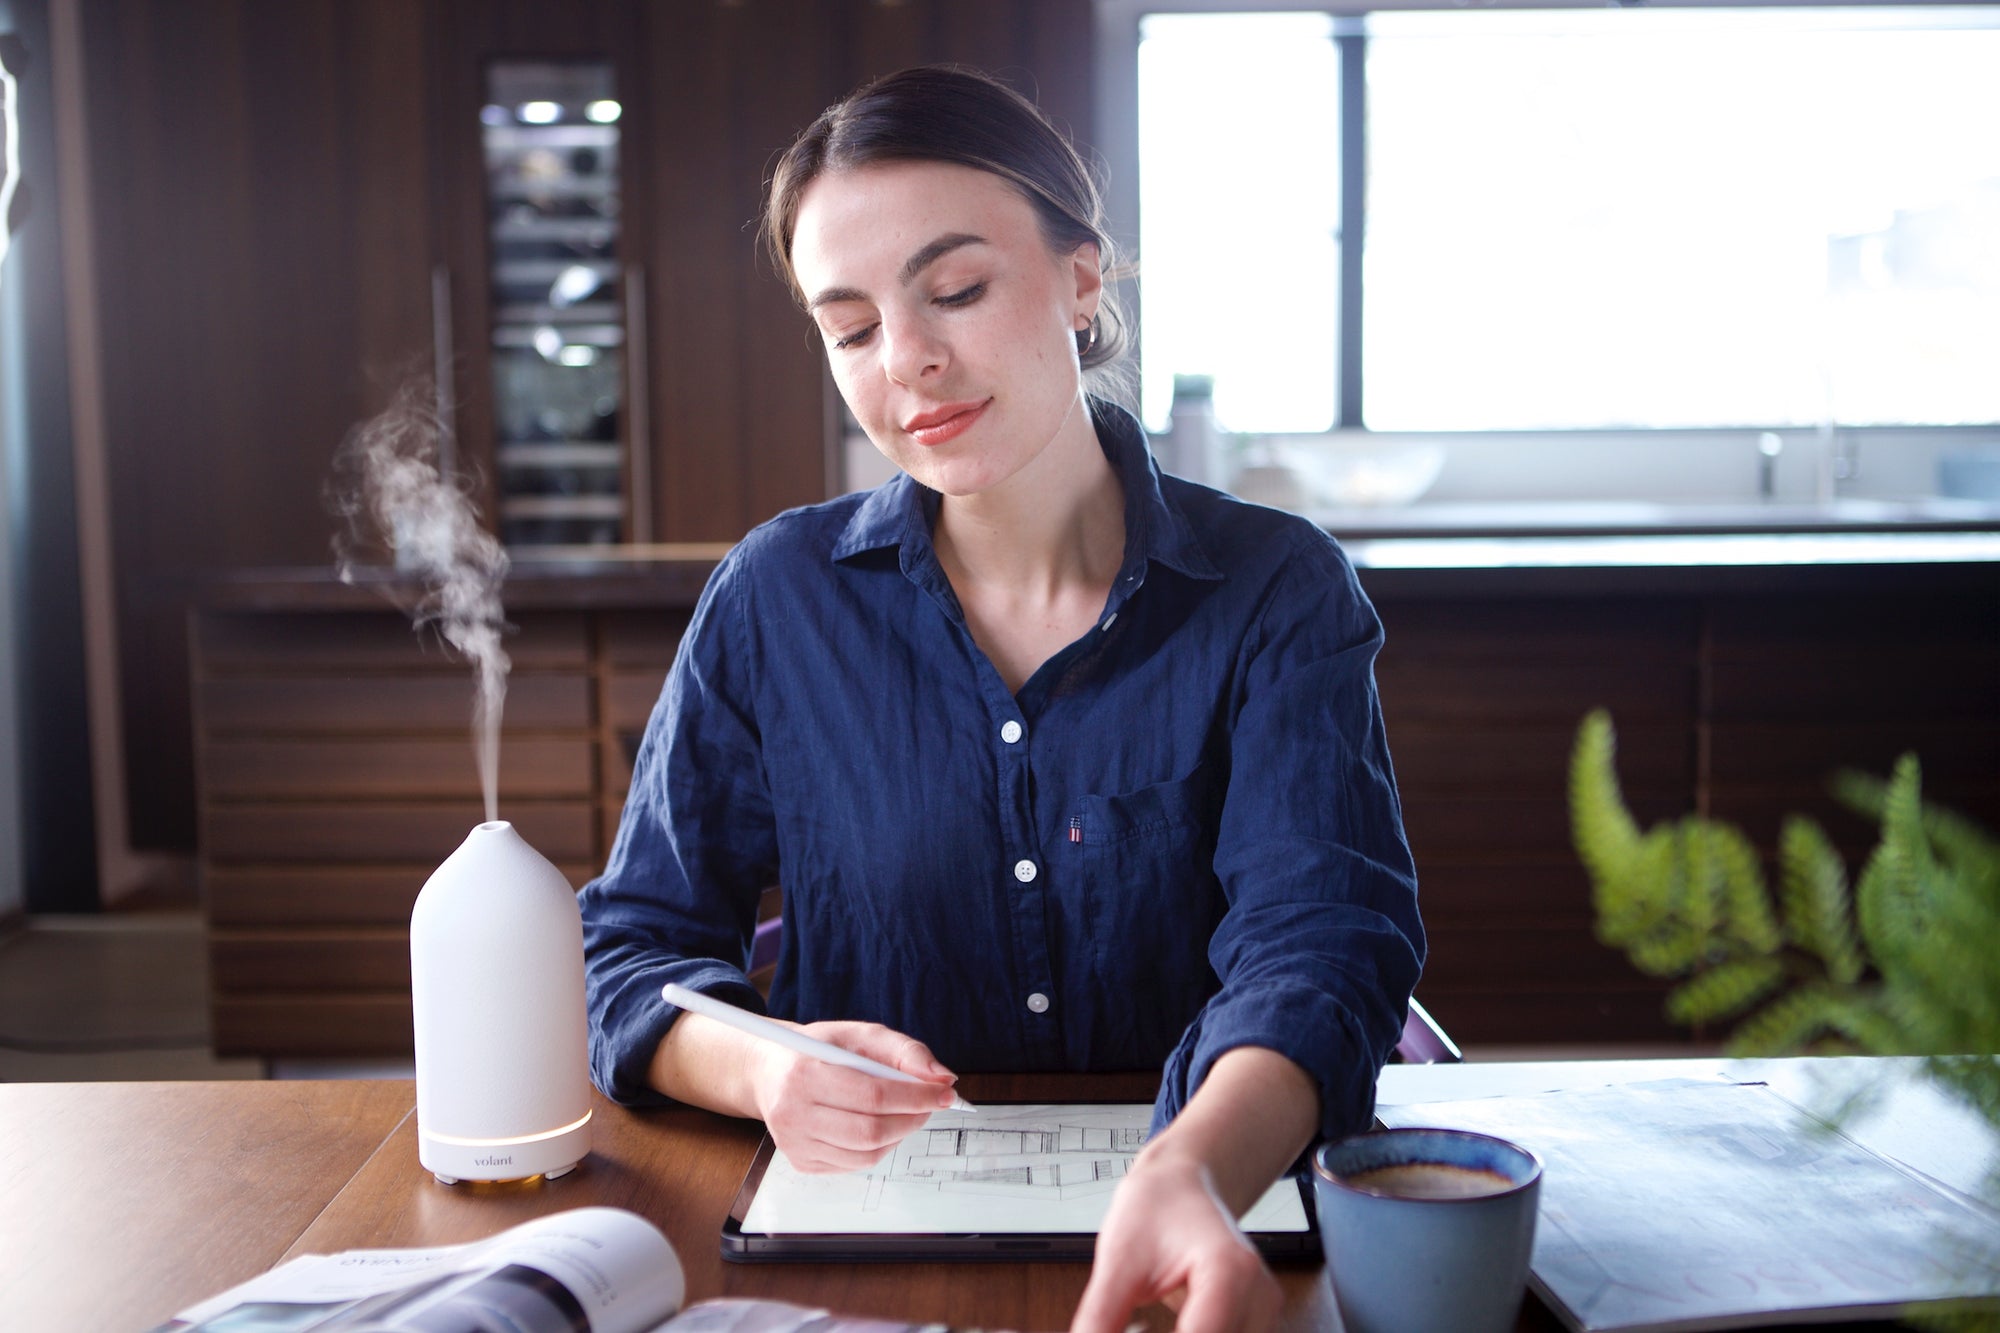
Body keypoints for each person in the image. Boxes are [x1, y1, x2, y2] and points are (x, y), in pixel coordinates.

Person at [579, 64, 1424, 1333]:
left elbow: (1321, 945)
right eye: (851, 327)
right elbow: (633, 952)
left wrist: (1189, 1168)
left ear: (1084, 281)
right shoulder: (775, 597)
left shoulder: (1273, 591)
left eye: (956, 290)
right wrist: (768, 1070)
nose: (909, 359)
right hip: (853, 1263)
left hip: (1211, 1227)